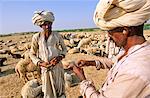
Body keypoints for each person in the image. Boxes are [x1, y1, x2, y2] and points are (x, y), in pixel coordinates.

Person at [69, 0, 150, 98]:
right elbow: (115, 63)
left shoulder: (136, 72)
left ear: (125, 30)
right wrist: (91, 63)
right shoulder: (132, 52)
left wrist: (83, 79)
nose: (108, 36)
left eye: (110, 31)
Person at [30, 10, 67, 98]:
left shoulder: (57, 35)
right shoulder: (36, 37)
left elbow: (64, 49)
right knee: (47, 91)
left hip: (57, 68)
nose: (47, 26)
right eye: (44, 25)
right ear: (40, 26)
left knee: (60, 90)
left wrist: (59, 58)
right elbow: (32, 53)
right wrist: (41, 63)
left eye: (49, 24)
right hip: (45, 69)